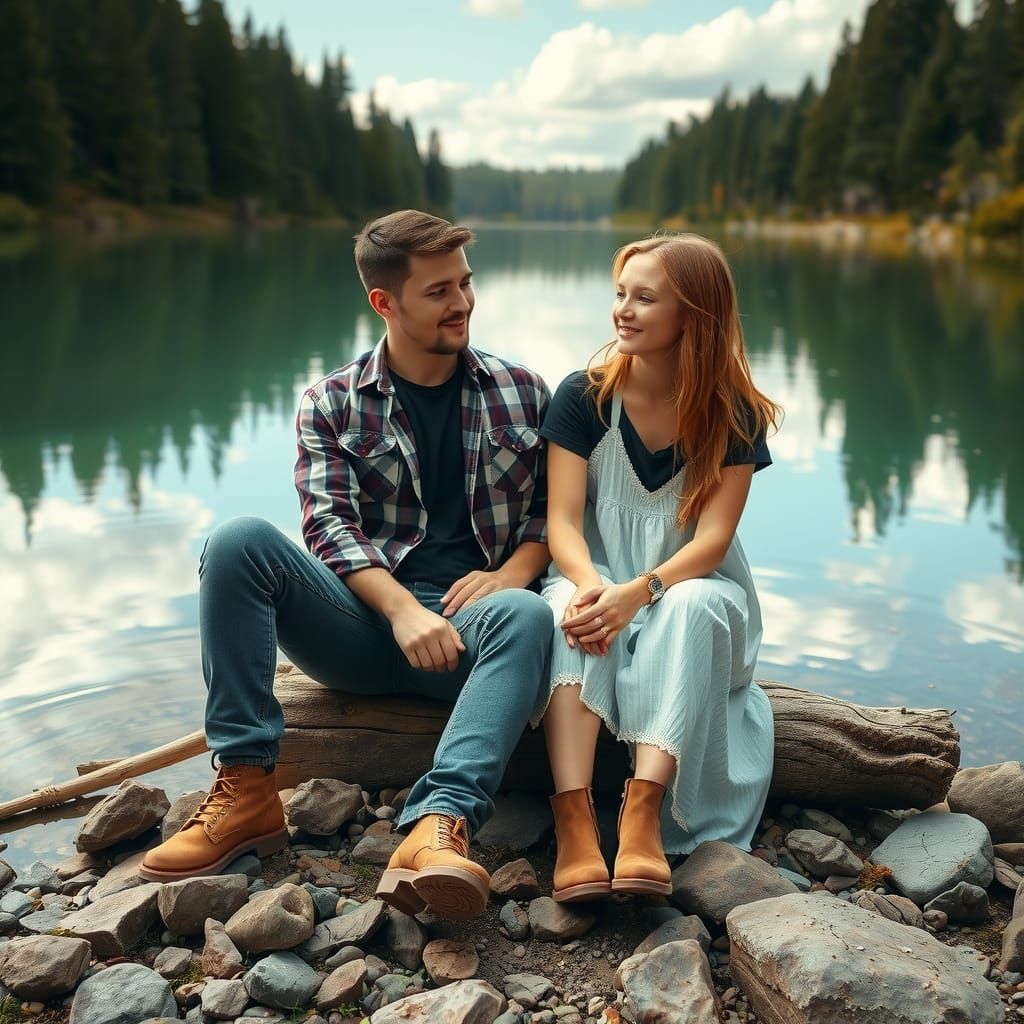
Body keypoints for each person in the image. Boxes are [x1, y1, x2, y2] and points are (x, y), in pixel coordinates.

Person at [140, 210, 552, 921]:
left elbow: (554, 514)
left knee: (527, 612)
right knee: (237, 540)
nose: (462, 302)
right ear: (384, 302)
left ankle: (436, 826)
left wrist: (513, 573)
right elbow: (327, 527)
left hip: (474, 633)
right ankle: (247, 789)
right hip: (359, 629)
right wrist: (402, 610)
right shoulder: (331, 402)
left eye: (465, 283)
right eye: (438, 291)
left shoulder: (522, 390)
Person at [535, 233, 781, 903]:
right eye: (621, 293)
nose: (623, 309)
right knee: (567, 610)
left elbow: (713, 541)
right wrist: (594, 586)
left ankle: (642, 814)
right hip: (596, 571)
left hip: (693, 587)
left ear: (692, 315)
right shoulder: (583, 397)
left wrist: (640, 591)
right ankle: (576, 823)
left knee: (692, 605)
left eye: (645, 298)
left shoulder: (734, 412)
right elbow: (562, 523)